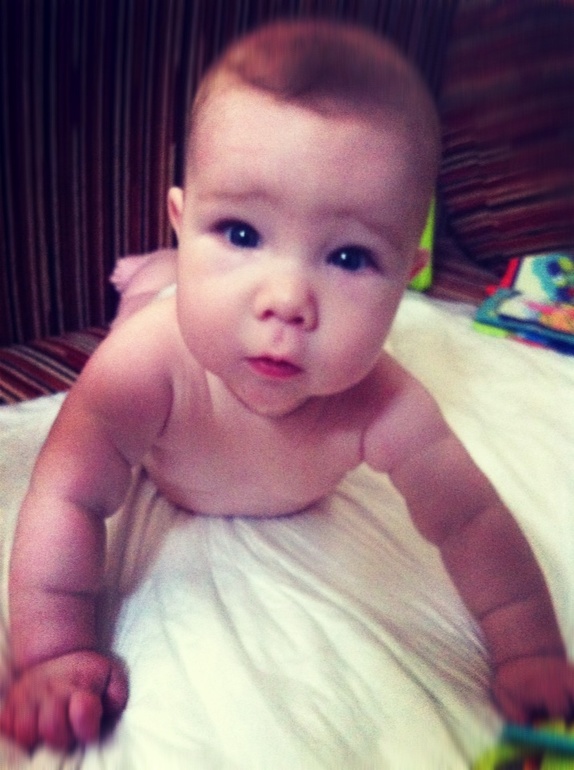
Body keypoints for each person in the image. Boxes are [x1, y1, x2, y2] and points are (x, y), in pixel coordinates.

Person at [2, 18, 573, 753]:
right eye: (241, 233)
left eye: (349, 257)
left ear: (406, 276)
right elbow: (67, 494)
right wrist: (54, 653)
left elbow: (472, 520)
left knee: (195, 297)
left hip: (209, 315)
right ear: (183, 218)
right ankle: (156, 272)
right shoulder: (138, 371)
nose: (287, 300)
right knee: (149, 302)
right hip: (167, 325)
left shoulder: (385, 405)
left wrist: (530, 653)